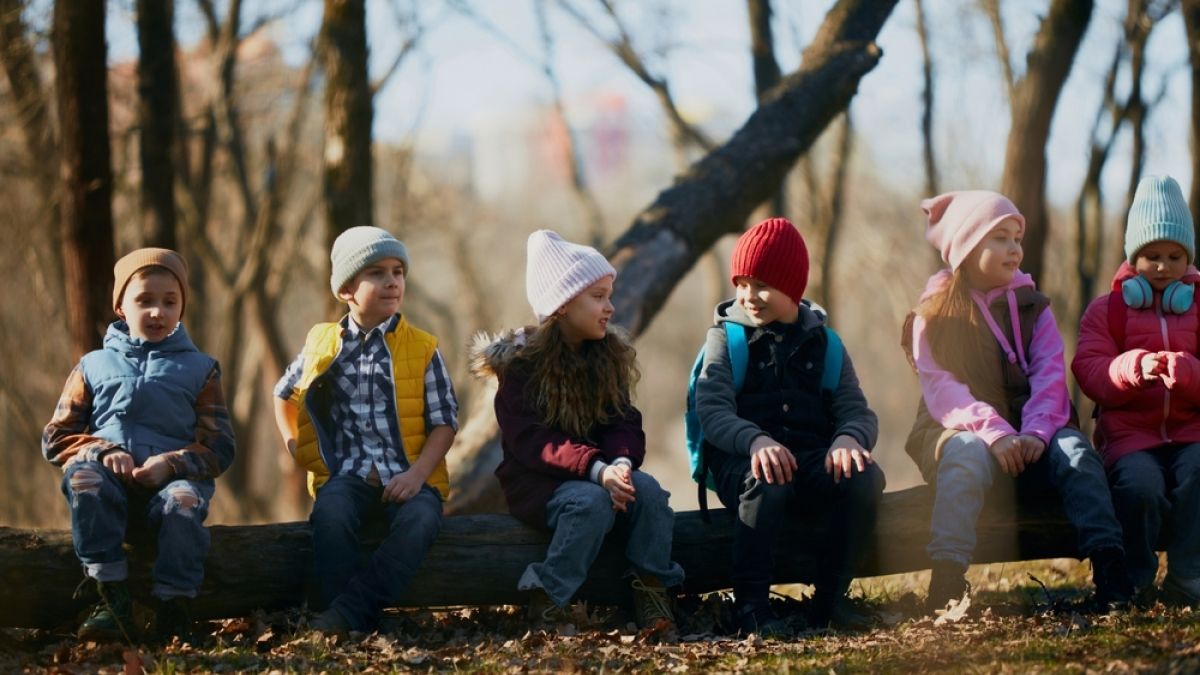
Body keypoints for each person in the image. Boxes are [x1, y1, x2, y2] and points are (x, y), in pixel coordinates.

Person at [903, 190, 1131, 612]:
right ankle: (948, 577)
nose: (1014, 249)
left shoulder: (1034, 307)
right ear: (968, 249)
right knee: (967, 455)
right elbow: (942, 389)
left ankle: (1110, 567)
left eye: (1017, 238)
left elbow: (1049, 374)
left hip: (1033, 433)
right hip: (956, 429)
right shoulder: (933, 315)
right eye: (1000, 238)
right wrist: (996, 433)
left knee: (1077, 453)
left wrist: (1038, 433)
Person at [470, 229, 684, 632]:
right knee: (589, 503)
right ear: (564, 304)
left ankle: (651, 589)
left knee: (650, 492)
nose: (611, 308)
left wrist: (619, 464)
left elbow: (622, 420)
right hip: (538, 483)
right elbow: (535, 443)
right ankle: (548, 597)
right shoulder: (520, 367)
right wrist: (597, 471)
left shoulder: (605, 356)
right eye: (598, 296)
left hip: (597, 473)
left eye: (609, 295)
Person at [694, 217, 885, 634]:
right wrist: (756, 440)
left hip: (810, 457)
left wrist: (848, 440)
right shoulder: (726, 340)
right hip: (741, 461)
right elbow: (713, 411)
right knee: (768, 481)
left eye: (761, 284)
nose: (749, 296)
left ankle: (830, 599)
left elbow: (857, 410)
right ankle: (751, 607)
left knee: (865, 477)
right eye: (741, 283)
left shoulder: (827, 344)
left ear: (793, 286)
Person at [43, 248, 235, 643]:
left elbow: (219, 447)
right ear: (120, 306)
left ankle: (173, 609)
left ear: (182, 307)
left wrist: (172, 464)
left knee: (183, 504)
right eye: (144, 300)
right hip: (108, 483)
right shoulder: (92, 365)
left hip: (169, 485)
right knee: (84, 479)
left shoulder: (200, 369)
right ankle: (110, 598)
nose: (157, 312)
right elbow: (56, 438)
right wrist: (101, 451)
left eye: (169, 302)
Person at [274, 226, 457, 635]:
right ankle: (335, 614)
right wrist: (294, 447)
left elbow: (445, 421)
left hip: (408, 474)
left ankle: (350, 613)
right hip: (347, 474)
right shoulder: (323, 343)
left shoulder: (422, 347)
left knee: (423, 521)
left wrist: (416, 476)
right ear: (346, 290)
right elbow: (283, 393)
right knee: (331, 515)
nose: (392, 281)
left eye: (398, 271)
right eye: (376, 273)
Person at [1072, 175, 1200, 608]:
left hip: (1192, 432)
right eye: (1151, 256)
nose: (1162, 266)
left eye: (1173, 256)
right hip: (1130, 438)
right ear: (1133, 258)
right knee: (1138, 488)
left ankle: (1188, 576)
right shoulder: (1107, 310)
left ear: (1188, 258)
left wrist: (1186, 372)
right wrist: (1133, 368)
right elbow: (1089, 369)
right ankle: (1136, 579)